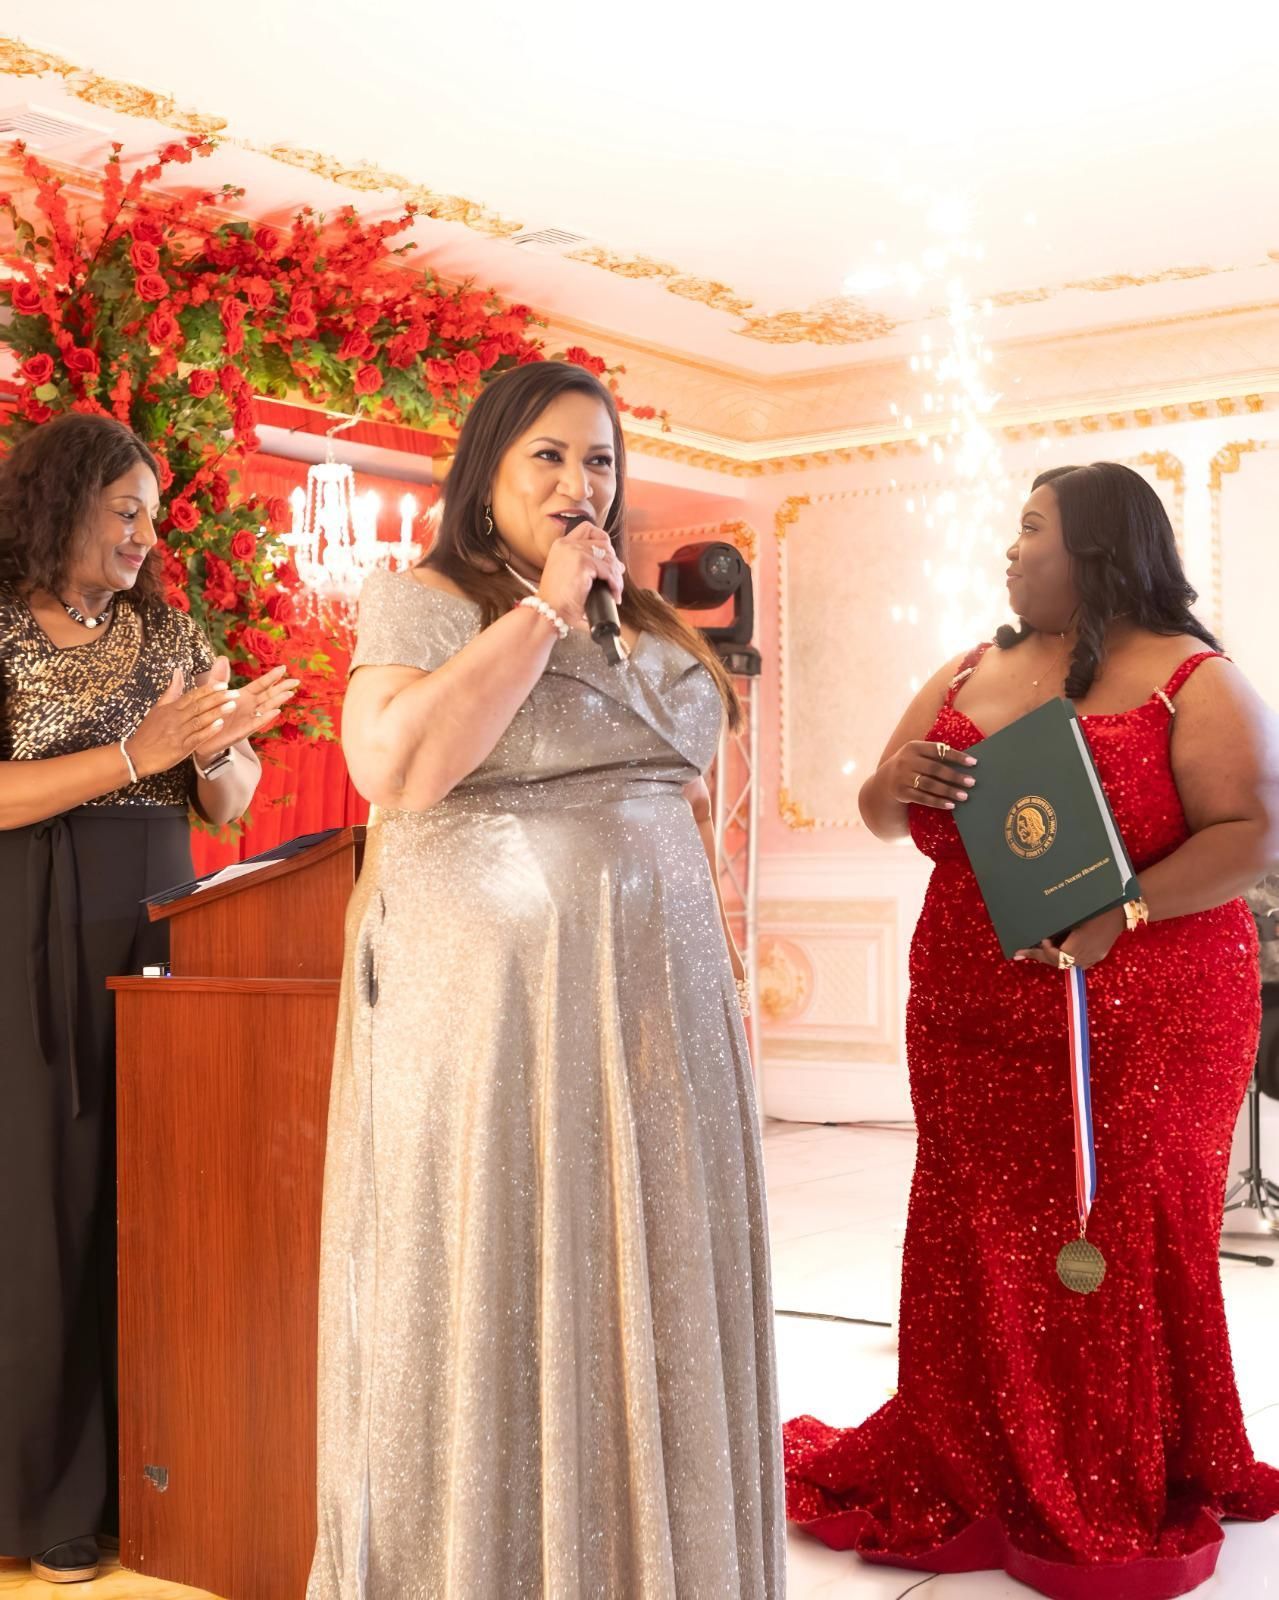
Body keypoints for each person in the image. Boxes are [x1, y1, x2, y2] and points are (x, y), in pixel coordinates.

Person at [307, 361, 782, 1598]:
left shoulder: (656, 619)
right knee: (501, 1261)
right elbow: (397, 768)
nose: (584, 486)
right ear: (488, 476)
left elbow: (685, 786)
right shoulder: (424, 601)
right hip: (492, 1010)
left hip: (654, 1000)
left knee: (647, 1266)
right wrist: (542, 617)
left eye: (603, 461)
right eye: (550, 459)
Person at [785, 462, 1279, 1598]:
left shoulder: (1191, 676)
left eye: (1031, 529)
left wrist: (1127, 909)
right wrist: (892, 776)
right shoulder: (972, 665)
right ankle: (981, 1457)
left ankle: (1110, 1464)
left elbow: (1251, 830)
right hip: (968, 1007)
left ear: (1100, 547)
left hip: (1145, 1012)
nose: (1009, 551)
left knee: (1112, 1231)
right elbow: (875, 806)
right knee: (981, 1237)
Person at [0, 413, 296, 1584]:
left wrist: (219, 748)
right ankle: (41, 1499)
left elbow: (226, 805)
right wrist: (139, 750)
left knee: (156, 1205)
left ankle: (158, 1479)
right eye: (123, 509)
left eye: (152, 517)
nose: (141, 535)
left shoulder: (171, 632)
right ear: (60, 501)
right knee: (40, 1213)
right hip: (24, 938)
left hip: (157, 936)